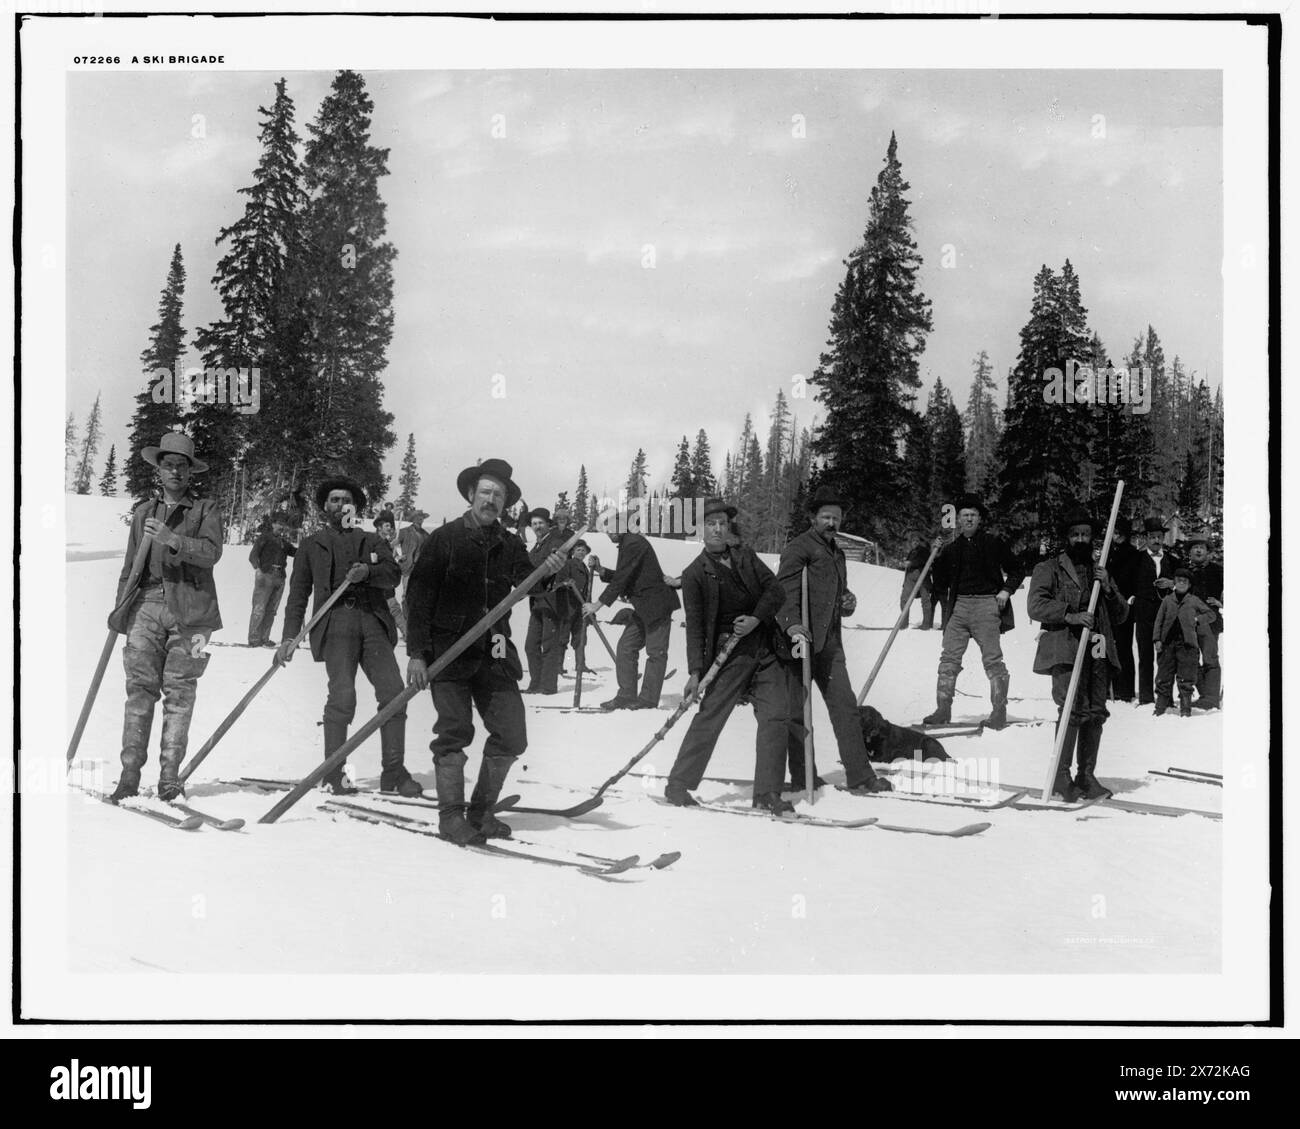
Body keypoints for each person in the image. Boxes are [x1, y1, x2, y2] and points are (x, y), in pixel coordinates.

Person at [405, 459, 565, 844]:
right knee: (454, 731)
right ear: (471, 495)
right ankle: (450, 818)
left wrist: (549, 570)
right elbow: (418, 598)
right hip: (449, 653)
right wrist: (416, 653)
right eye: (486, 493)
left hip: (494, 653)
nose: (491, 500)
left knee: (512, 733)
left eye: (499, 495)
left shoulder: (509, 543)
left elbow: (531, 588)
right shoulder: (445, 539)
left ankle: (479, 813)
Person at [276, 477, 420, 798]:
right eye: (334, 500)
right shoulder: (312, 545)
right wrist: (289, 637)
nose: (340, 505)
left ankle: (393, 773)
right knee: (343, 698)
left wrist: (368, 573)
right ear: (325, 507)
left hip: (372, 621)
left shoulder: (371, 541)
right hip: (335, 626)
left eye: (346, 500)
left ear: (355, 507)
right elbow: (298, 595)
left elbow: (394, 576)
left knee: (394, 693)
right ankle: (336, 774)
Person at [663, 500, 801, 813]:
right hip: (727, 658)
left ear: (729, 528)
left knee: (776, 715)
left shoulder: (745, 557)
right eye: (711, 523)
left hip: (765, 649)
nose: (717, 529)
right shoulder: (694, 574)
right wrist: (696, 672)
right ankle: (678, 785)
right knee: (710, 717)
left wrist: (756, 618)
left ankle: (768, 794)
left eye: (722, 523)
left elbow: (776, 592)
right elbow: (695, 628)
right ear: (702, 529)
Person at [109, 432, 224, 803]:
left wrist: (173, 539)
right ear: (158, 470)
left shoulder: (205, 509)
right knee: (139, 691)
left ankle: (170, 778)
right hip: (145, 605)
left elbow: (211, 553)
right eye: (168, 464)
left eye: (181, 465)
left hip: (192, 614)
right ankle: (128, 776)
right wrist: (120, 612)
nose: (174, 471)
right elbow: (130, 567)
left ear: (190, 473)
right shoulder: (143, 512)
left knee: (180, 694)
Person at [775, 485, 891, 794]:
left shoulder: (837, 553)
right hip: (797, 644)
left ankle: (860, 776)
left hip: (829, 644)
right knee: (798, 713)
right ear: (813, 518)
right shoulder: (799, 549)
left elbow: (837, 596)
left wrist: (847, 601)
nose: (832, 523)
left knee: (845, 707)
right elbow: (783, 595)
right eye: (826, 516)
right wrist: (793, 627)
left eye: (836, 518)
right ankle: (803, 776)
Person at [1027, 506, 1129, 801]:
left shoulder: (1100, 571)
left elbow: (1121, 615)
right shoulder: (1049, 569)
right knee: (1072, 709)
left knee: (1096, 711)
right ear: (1066, 538)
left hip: (1098, 647)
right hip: (1066, 647)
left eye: (1086, 534)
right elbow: (1035, 605)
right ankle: (1061, 777)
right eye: (1075, 535)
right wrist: (1070, 615)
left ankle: (1087, 776)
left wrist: (1108, 587)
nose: (1081, 539)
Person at [924, 493, 1024, 729]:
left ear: (980, 519)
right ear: (957, 519)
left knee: (993, 660)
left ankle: (999, 712)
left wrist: (1006, 591)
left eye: (973, 515)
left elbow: (1017, 569)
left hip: (986, 606)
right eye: (964, 515)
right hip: (958, 607)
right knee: (948, 658)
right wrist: (936, 556)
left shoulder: (993, 543)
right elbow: (939, 584)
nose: (968, 519)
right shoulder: (951, 548)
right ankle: (942, 710)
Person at [582, 519, 680, 710]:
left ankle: (648, 700)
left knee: (655, 652)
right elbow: (626, 574)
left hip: (657, 605)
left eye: (612, 529)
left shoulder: (633, 542)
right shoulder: (627, 543)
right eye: (606, 531)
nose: (609, 533)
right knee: (626, 647)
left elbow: (622, 578)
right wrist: (602, 571)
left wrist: (597, 604)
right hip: (643, 607)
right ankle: (626, 695)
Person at [1152, 567, 1217, 718]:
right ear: (1174, 583)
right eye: (1179, 581)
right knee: (1164, 676)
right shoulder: (1168, 600)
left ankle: (1185, 709)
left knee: (1186, 677)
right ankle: (1160, 708)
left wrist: (1197, 620)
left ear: (1189, 585)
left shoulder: (1193, 601)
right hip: (1167, 644)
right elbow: (1159, 621)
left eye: (1185, 581)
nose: (1181, 584)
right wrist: (1157, 639)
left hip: (1187, 646)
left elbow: (1211, 614)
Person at [1129, 517, 1181, 705]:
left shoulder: (1173, 561)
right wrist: (1132, 597)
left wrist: (1172, 584)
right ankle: (1146, 697)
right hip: (1143, 613)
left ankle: (1165, 696)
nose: (1156, 541)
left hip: (1166, 614)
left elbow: (1185, 582)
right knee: (1145, 655)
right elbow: (1127, 582)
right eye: (1152, 537)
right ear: (1146, 538)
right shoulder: (1136, 559)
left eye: (1159, 537)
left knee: (1166, 656)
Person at [523, 508, 566, 693]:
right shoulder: (536, 546)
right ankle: (536, 683)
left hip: (551, 601)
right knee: (530, 645)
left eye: (540, 523)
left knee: (548, 644)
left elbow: (560, 555)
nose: (537, 526)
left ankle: (548, 687)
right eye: (534, 524)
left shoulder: (554, 541)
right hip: (536, 602)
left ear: (548, 524)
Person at [1183, 535, 1223, 709]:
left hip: (1210, 621)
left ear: (1208, 552)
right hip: (1188, 622)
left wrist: (1222, 603)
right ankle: (1205, 695)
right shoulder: (1184, 571)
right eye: (1195, 547)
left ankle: (1212, 698)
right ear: (1189, 552)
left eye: (1202, 547)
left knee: (1210, 658)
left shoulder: (1218, 571)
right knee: (1190, 658)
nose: (1198, 550)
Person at [1105, 515, 1141, 701]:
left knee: (1124, 648)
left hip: (1125, 606)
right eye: (1114, 533)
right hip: (1107, 605)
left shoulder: (1134, 555)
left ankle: (1125, 689)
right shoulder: (1106, 554)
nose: (1117, 536)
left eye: (1120, 533)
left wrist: (1131, 597)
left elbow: (1136, 580)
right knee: (1107, 647)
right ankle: (1107, 688)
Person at [246, 515, 296, 647]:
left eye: (283, 524)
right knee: (259, 608)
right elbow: (253, 556)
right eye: (278, 523)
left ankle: (264, 638)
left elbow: (296, 552)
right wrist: (259, 570)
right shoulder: (264, 538)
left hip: (280, 577)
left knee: (272, 610)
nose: (281, 527)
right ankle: (254, 639)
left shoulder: (284, 543)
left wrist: (306, 544)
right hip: (265, 576)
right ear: (273, 524)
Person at [372, 511, 407, 641]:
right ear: (379, 527)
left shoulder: (387, 544)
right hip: (378, 584)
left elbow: (392, 559)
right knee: (393, 609)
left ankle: (406, 635)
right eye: (387, 526)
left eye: (391, 526)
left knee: (393, 610)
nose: (390, 528)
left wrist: (398, 558)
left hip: (387, 584)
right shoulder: (373, 542)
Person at [899, 532, 936, 630]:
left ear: (919, 542)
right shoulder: (912, 552)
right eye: (913, 541)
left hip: (923, 578)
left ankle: (926, 624)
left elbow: (922, 560)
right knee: (904, 599)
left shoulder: (924, 550)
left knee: (925, 600)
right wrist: (904, 564)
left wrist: (910, 563)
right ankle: (903, 623)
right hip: (910, 578)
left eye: (916, 541)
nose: (915, 543)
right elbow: (909, 565)